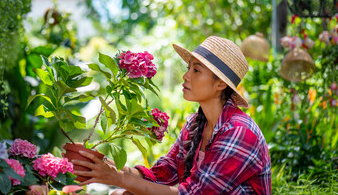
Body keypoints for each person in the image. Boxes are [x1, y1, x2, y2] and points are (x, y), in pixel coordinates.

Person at [72, 36, 272, 195]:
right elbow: (162, 174)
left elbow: (193, 194)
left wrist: (118, 178)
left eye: (196, 70)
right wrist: (109, 165)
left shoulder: (239, 132)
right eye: (188, 68)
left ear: (220, 84)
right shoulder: (197, 124)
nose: (186, 76)